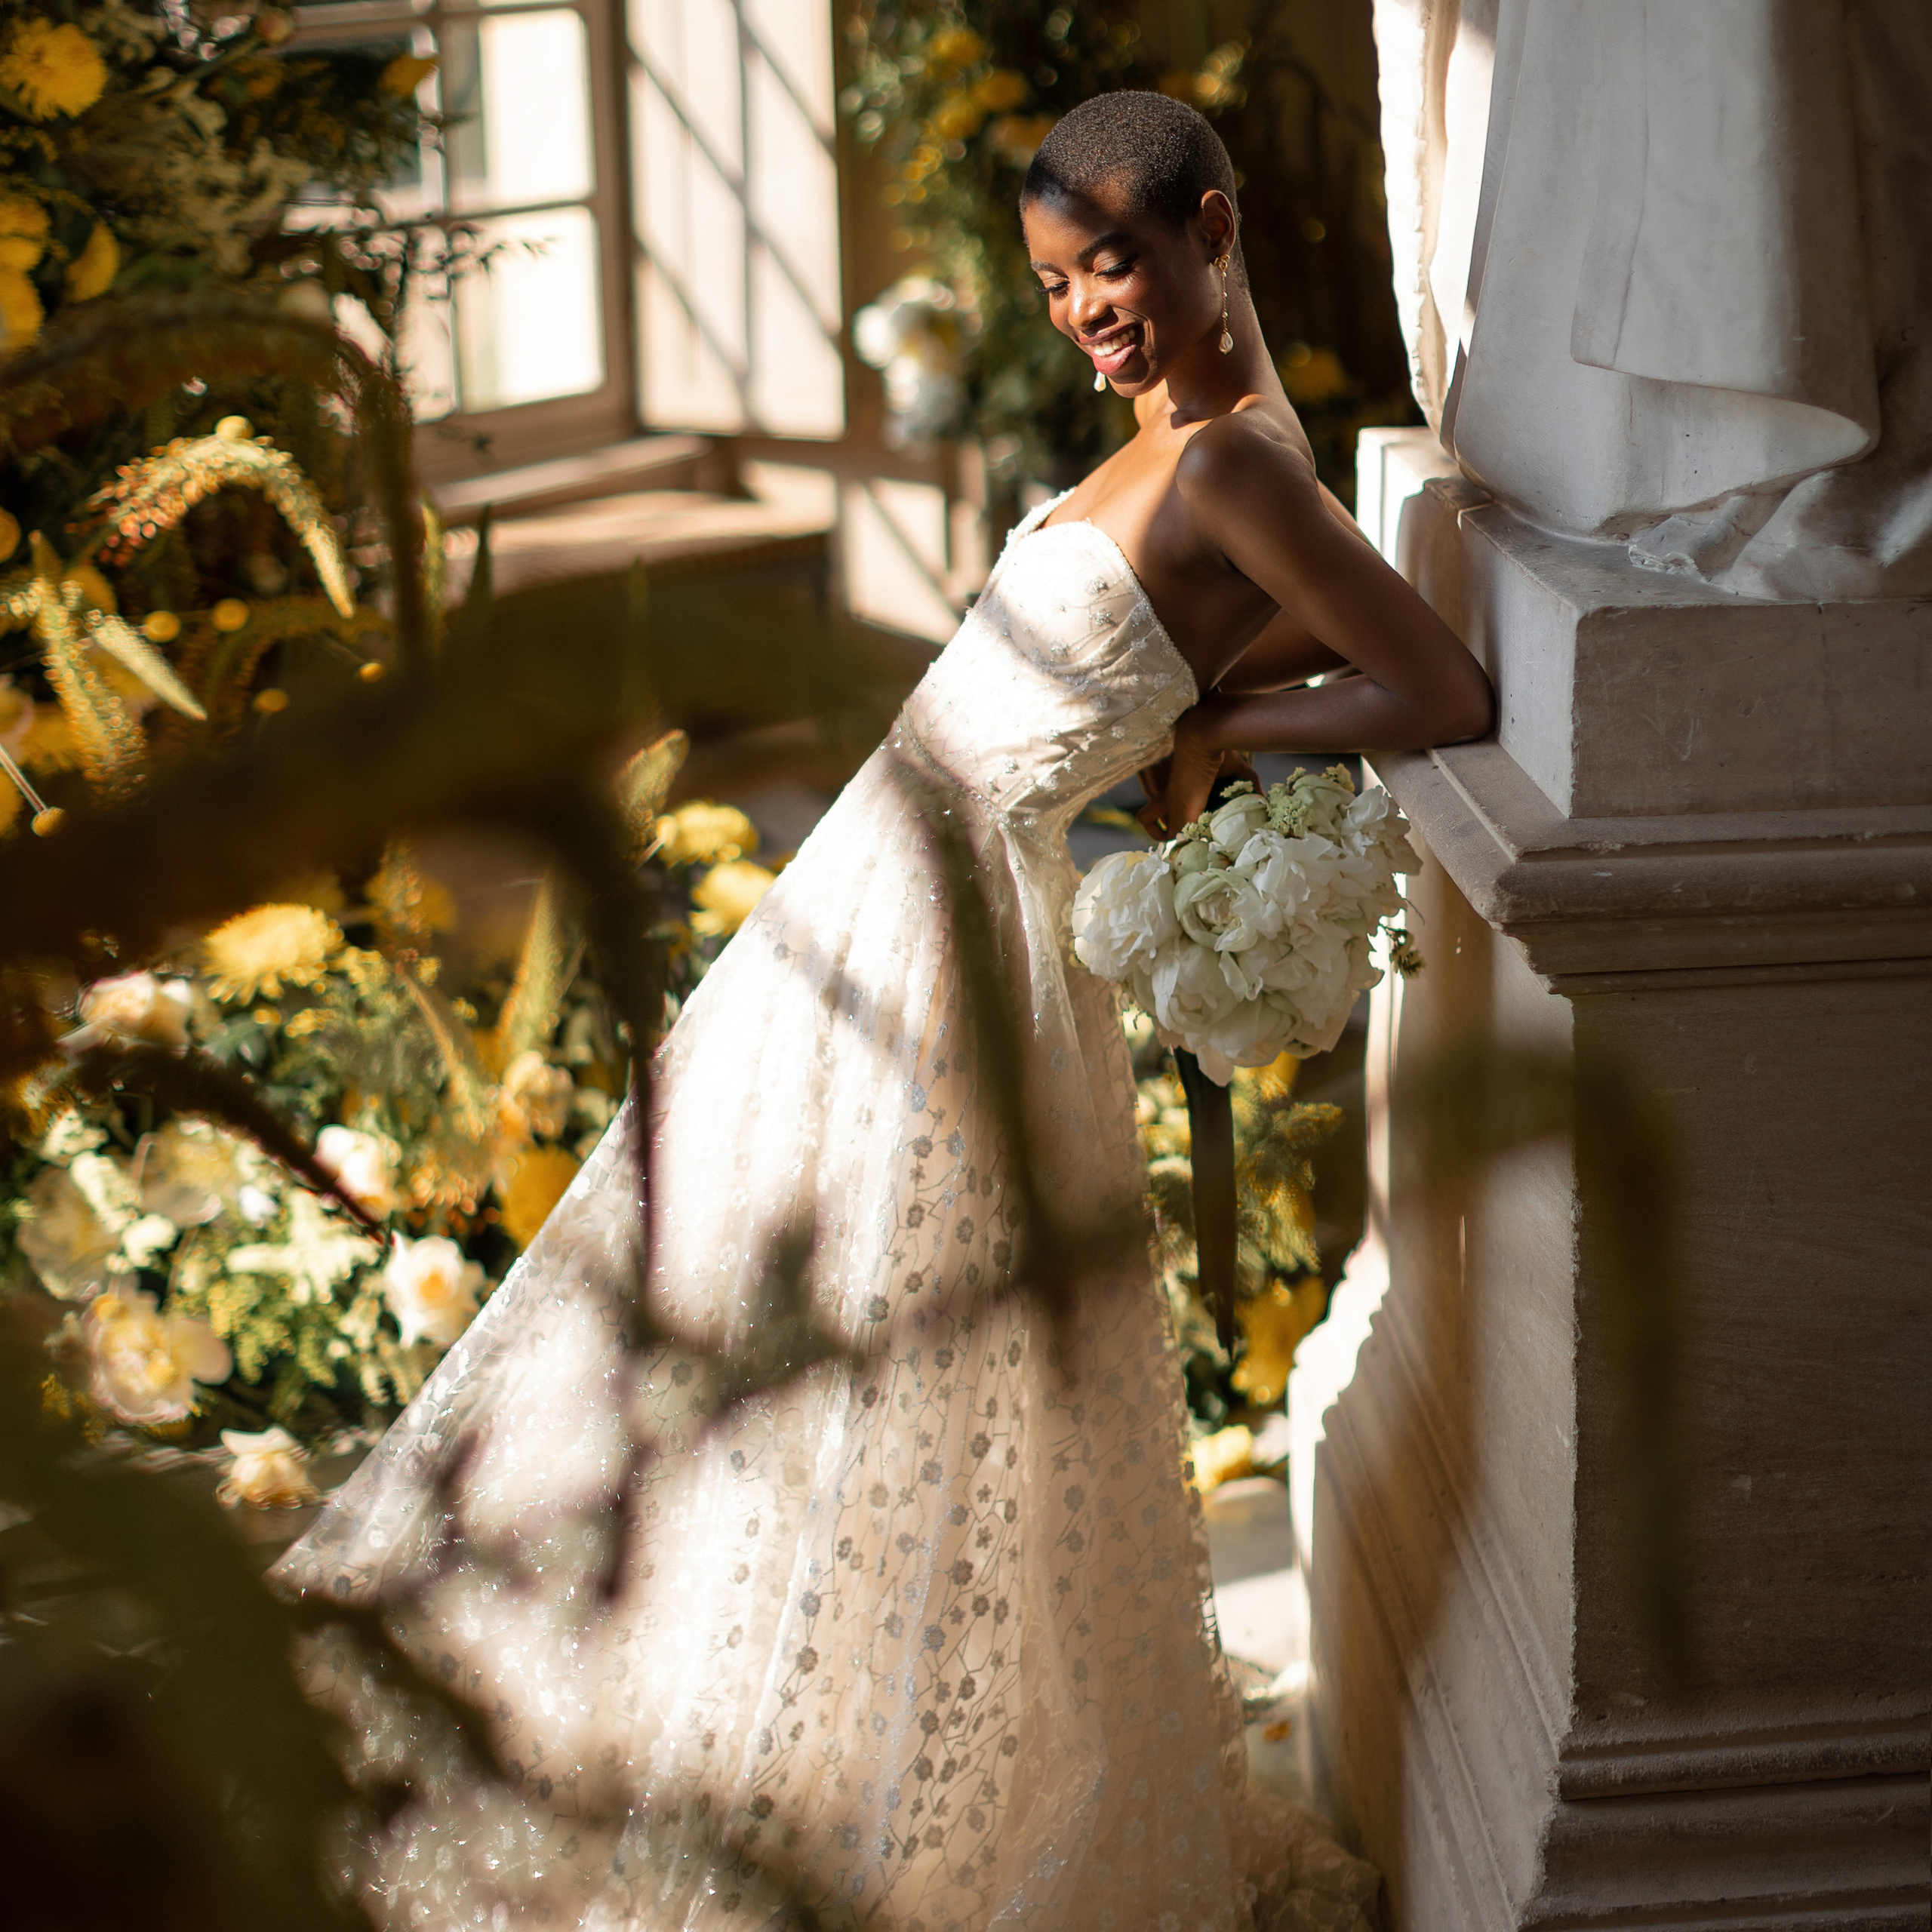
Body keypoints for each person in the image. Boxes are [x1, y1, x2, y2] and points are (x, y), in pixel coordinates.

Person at [275, 91, 1487, 1931]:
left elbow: (1430, 676)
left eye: (1116, 265)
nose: (1089, 308)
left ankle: (852, 1760)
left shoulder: (1236, 457)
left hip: (951, 929)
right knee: (737, 1303)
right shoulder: (1197, 443)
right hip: (872, 888)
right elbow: (1270, 632)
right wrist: (1211, 700)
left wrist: (1220, 727)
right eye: (1058, 283)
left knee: (878, 1341)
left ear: (1212, 234)